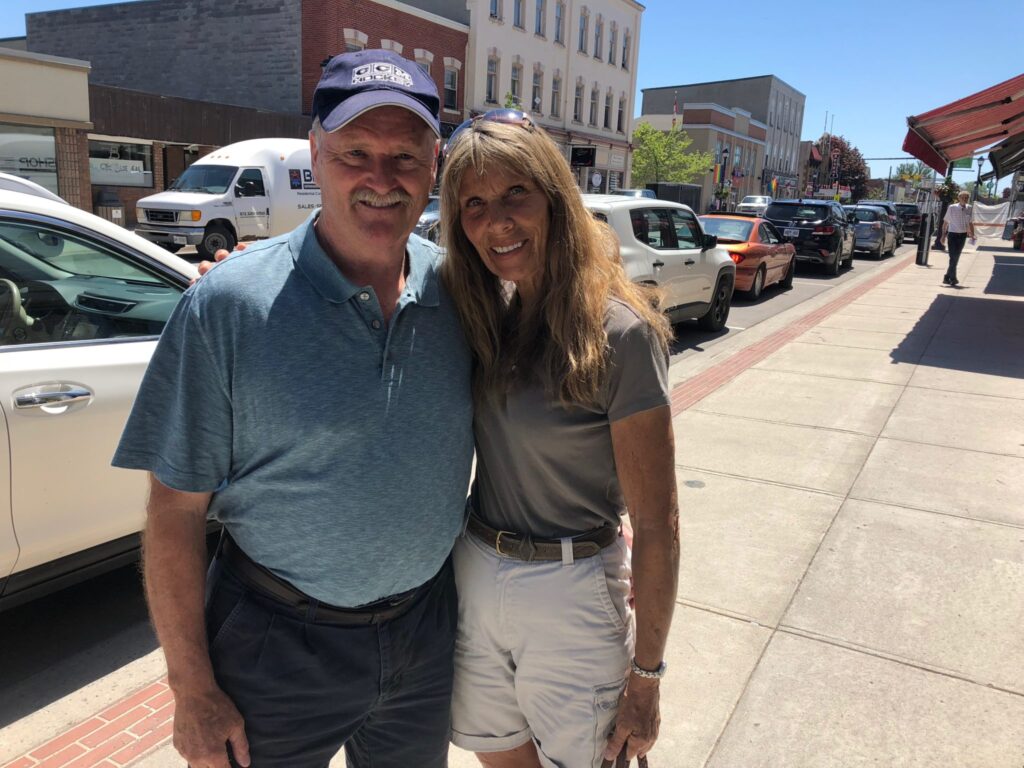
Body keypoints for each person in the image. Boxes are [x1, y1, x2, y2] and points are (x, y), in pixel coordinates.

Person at [112, 49, 473, 768]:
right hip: (273, 650)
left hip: (425, 635)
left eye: (405, 154)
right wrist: (191, 690)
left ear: (435, 162)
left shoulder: (462, 292)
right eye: (355, 152)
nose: (381, 177)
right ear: (315, 153)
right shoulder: (229, 304)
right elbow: (173, 513)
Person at [437, 111, 680, 768]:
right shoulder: (488, 311)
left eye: (515, 193)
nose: (497, 221)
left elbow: (658, 525)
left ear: (554, 198)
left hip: (570, 594)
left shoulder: (621, 334)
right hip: (478, 574)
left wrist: (647, 679)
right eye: (475, 204)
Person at [941, 190, 975, 286]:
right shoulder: (952, 207)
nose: (964, 199)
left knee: (956, 257)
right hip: (952, 235)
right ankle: (953, 278)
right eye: (963, 197)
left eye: (966, 198)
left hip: (963, 235)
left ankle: (947, 277)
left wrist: (972, 234)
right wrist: (943, 235)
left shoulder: (970, 208)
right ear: (959, 198)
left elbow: (970, 222)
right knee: (953, 257)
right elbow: (945, 222)